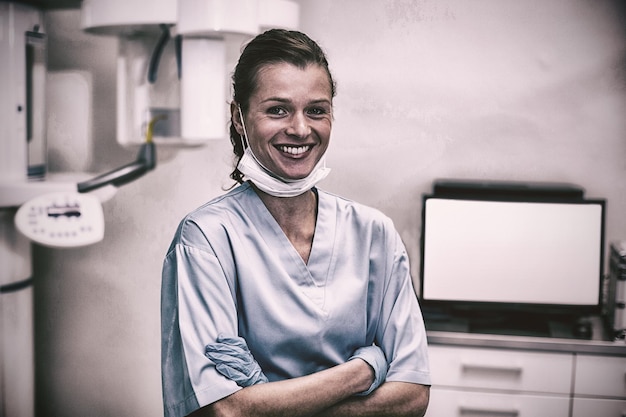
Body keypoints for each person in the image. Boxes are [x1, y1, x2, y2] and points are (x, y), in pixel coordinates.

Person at [161, 29, 431, 417]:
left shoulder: (374, 234)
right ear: (238, 117)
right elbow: (224, 411)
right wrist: (363, 369)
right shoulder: (206, 239)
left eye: (316, 110)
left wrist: (267, 399)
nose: (301, 129)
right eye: (277, 110)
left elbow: (412, 396)